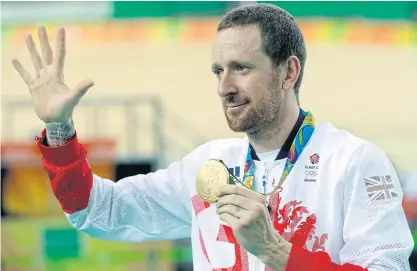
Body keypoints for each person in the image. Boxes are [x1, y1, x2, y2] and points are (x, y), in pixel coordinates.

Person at [12, 4, 414, 271]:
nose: (225, 87)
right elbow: (97, 212)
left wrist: (276, 251)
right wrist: (60, 128)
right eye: (218, 71)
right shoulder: (206, 164)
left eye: (241, 67)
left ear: (288, 72)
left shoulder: (354, 162)